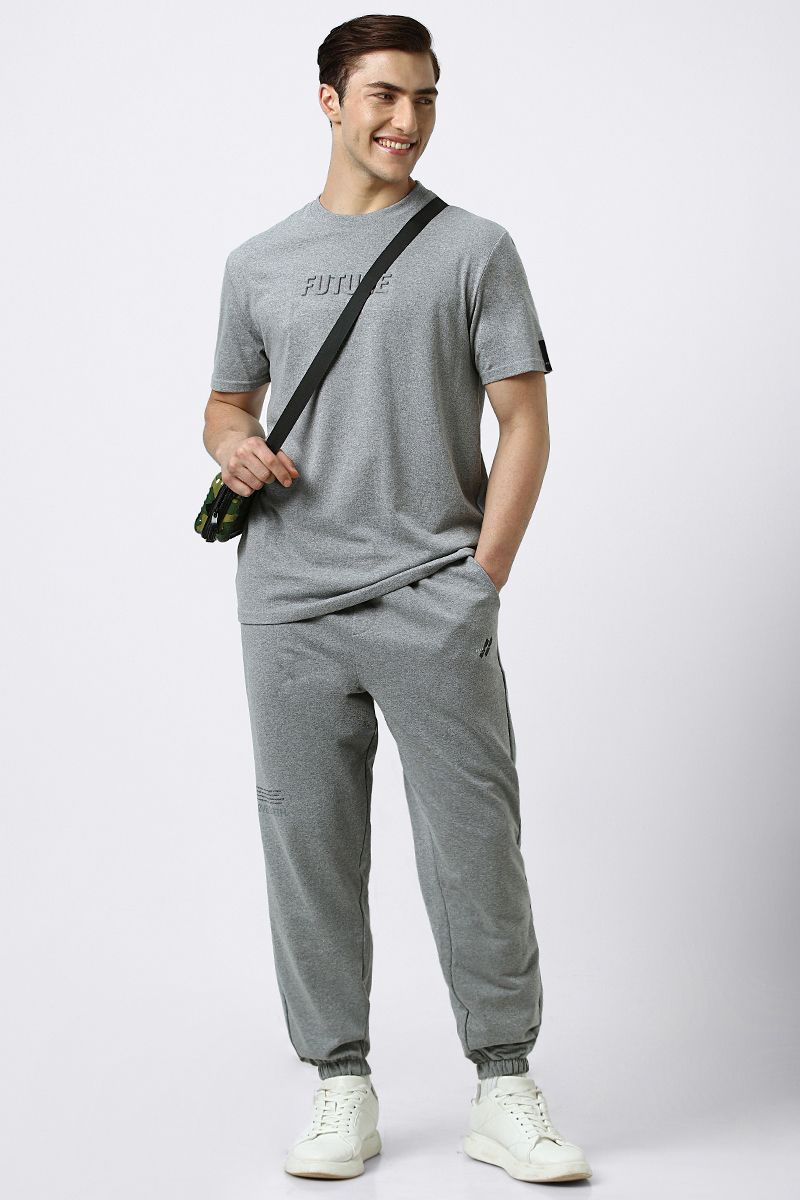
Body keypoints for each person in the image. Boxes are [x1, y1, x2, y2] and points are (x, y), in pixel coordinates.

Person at [202, 12, 592, 1186]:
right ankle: (340, 1084)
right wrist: (231, 445)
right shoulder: (257, 261)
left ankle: (502, 1084)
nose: (405, 120)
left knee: (474, 845)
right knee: (307, 847)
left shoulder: (473, 248)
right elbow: (226, 401)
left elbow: (522, 421)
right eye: (381, 95)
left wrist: (481, 580)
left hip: (431, 594)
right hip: (288, 601)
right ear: (329, 101)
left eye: (422, 97)